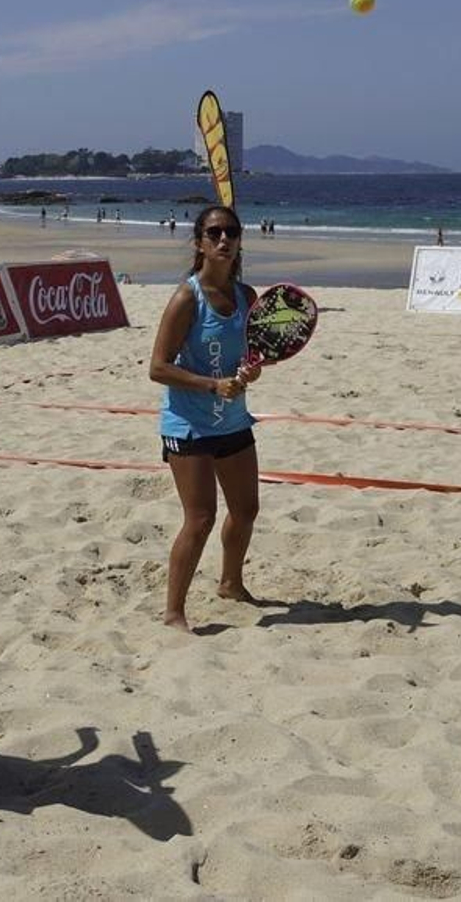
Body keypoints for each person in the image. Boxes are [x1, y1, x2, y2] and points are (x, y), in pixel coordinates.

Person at [149, 205, 262, 633]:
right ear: (199, 242)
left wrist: (251, 371)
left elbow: (250, 358)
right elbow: (158, 367)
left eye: (231, 232)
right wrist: (211, 384)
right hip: (190, 424)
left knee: (246, 510)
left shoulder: (247, 297)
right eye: (214, 233)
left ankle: (231, 584)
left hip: (233, 420)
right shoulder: (186, 297)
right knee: (199, 520)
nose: (223, 239)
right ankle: (174, 613)